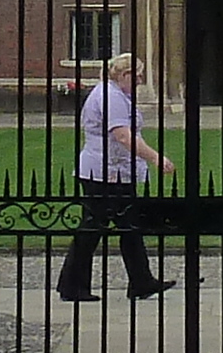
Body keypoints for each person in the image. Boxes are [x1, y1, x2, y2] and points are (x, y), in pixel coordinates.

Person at [57, 50, 177, 304]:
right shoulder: (111, 97)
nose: (141, 81)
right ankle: (72, 284)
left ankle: (141, 281)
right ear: (124, 75)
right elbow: (123, 136)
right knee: (95, 226)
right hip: (106, 173)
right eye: (138, 76)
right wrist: (155, 158)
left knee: (128, 225)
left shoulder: (112, 94)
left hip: (111, 170)